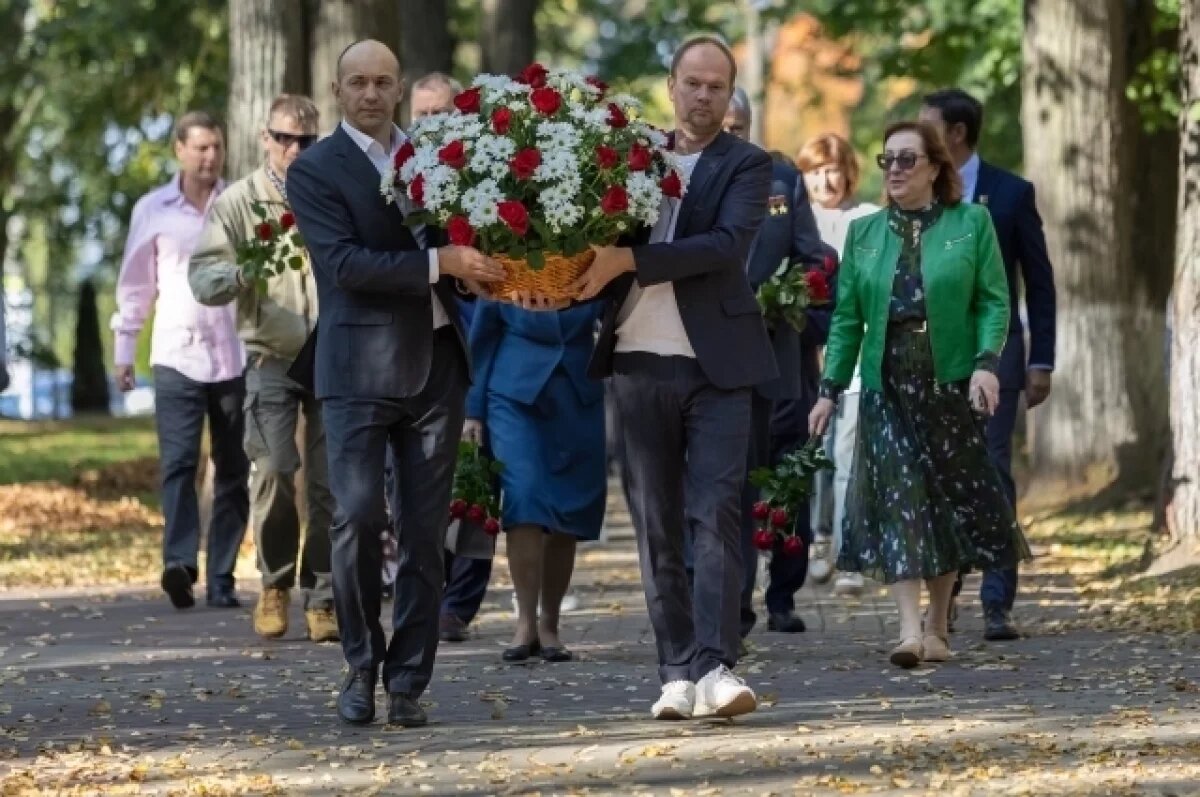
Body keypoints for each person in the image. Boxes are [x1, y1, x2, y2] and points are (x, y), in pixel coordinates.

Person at [285, 40, 507, 728]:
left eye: (384, 82)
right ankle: (360, 662)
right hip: (355, 367)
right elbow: (346, 266)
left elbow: (474, 233)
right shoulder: (315, 170)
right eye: (358, 82)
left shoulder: (436, 158)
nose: (372, 94)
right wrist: (443, 261)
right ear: (336, 88)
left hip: (438, 362)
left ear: (399, 86)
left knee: (423, 529)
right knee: (355, 517)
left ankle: (409, 678)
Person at [571, 36, 774, 720]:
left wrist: (627, 259)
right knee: (657, 523)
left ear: (729, 92)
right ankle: (676, 670)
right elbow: (584, 242)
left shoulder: (748, 164)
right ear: (671, 85)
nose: (703, 96)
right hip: (635, 360)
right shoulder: (627, 158)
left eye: (716, 86)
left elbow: (723, 248)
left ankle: (718, 665)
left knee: (714, 513)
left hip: (719, 367)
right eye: (692, 83)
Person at [808, 120, 1031, 669]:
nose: (896, 171)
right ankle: (908, 630)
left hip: (951, 382)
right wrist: (830, 390)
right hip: (888, 383)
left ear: (935, 166)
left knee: (943, 503)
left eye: (908, 160)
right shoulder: (865, 234)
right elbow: (846, 321)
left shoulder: (970, 222)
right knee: (903, 502)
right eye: (888, 161)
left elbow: (994, 302)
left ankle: (937, 623)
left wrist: (986, 366)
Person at [189, 94, 337, 643]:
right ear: (264, 138)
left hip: (333, 352)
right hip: (271, 356)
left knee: (330, 484)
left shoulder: (333, 190)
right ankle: (275, 583)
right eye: (284, 139)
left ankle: (323, 593)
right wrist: (239, 275)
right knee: (275, 468)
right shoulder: (238, 202)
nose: (295, 150)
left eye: (306, 141)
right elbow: (202, 278)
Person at [919, 90, 1056, 642]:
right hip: (934, 353)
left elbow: (1040, 283)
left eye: (929, 127)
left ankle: (998, 600)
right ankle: (943, 597)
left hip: (999, 351)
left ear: (955, 133)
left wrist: (1042, 358)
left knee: (993, 467)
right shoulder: (918, 190)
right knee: (941, 471)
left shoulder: (1011, 193)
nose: (919, 136)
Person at [111, 111, 249, 611]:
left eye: (216, 147)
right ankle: (180, 563)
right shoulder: (153, 210)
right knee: (179, 462)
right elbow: (135, 283)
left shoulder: (239, 202)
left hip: (235, 354)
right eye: (200, 148)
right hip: (175, 354)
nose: (209, 156)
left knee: (235, 467)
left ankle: (223, 575)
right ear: (179, 150)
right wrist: (124, 349)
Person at [390, 70, 497, 645]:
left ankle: (459, 603)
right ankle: (420, 591)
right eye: (422, 116)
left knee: (476, 485)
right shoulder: (396, 178)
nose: (431, 126)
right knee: (414, 494)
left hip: (477, 347)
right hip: (407, 352)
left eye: (441, 115)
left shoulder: (486, 175)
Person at [722, 89, 830, 637]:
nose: (733, 134)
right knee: (734, 484)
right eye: (726, 126)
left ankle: (783, 593)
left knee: (787, 480)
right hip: (717, 362)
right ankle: (734, 603)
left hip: (779, 359)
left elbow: (812, 260)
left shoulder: (782, 181)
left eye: (740, 126)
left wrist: (785, 294)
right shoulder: (688, 178)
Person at [464, 300, 606, 662]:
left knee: (566, 506)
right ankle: (525, 623)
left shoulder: (593, 248)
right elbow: (482, 337)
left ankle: (550, 625)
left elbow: (618, 309)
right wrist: (472, 410)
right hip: (512, 394)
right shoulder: (502, 249)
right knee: (524, 497)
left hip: (577, 393)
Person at [796, 133, 879, 596]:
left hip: (858, 357)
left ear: (849, 171)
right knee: (816, 453)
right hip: (810, 358)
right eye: (815, 171)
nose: (826, 180)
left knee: (849, 454)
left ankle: (849, 551)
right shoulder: (795, 222)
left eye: (833, 169)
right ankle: (818, 536)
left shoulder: (868, 220)